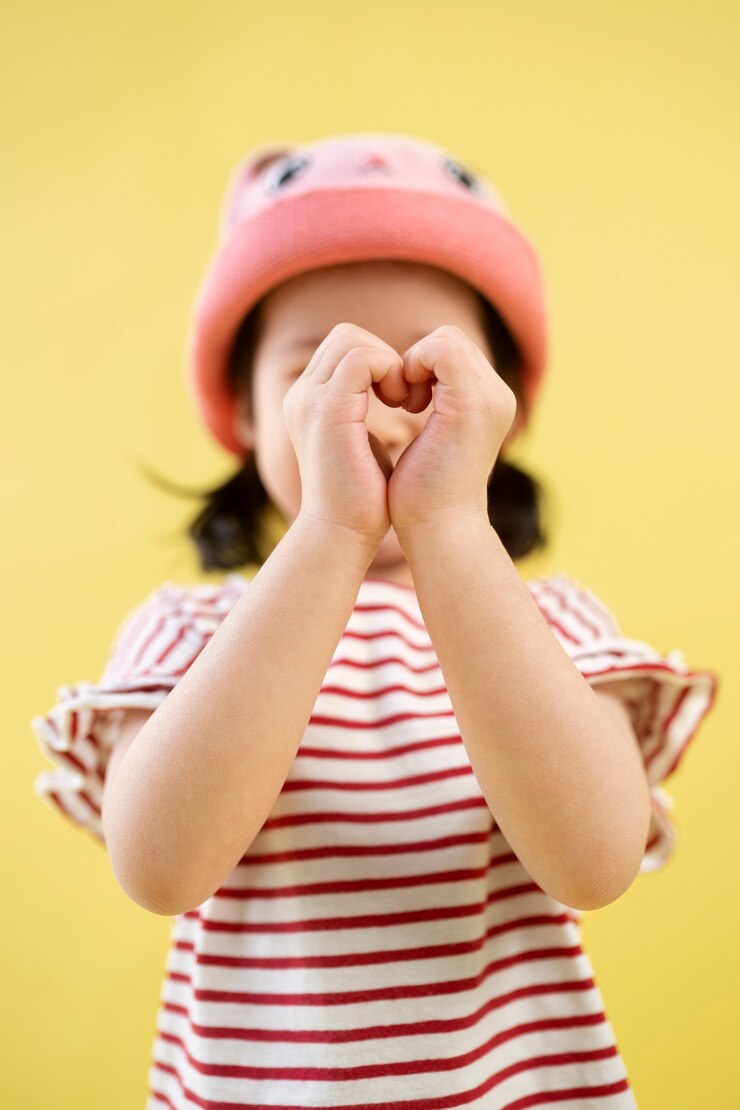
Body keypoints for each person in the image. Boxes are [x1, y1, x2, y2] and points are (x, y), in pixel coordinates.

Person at [31, 133, 719, 1109]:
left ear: (502, 412)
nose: (377, 413)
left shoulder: (555, 628)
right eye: (317, 375)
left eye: (428, 380)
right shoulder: (187, 634)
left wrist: (448, 525)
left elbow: (594, 864)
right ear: (244, 415)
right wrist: (329, 532)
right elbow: (159, 868)